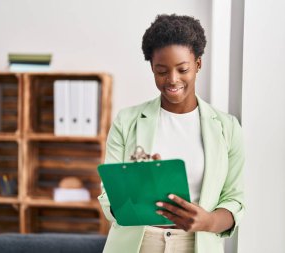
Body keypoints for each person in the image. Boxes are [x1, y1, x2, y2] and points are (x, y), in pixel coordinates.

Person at [98, 14, 245, 253]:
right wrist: (137, 186)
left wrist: (208, 221)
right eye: (162, 71)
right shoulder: (127, 122)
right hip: (137, 243)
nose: (172, 80)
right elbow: (108, 196)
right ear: (152, 69)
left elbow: (235, 199)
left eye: (182, 69)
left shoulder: (227, 128)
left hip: (196, 244)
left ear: (198, 64)